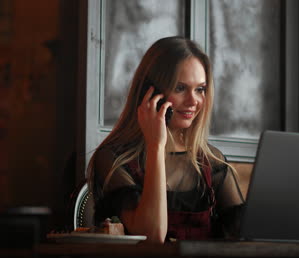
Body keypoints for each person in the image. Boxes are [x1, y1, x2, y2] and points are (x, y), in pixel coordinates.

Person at [86, 36, 245, 244]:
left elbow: (245, 238)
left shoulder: (212, 162)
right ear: (150, 94)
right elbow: (151, 236)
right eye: (180, 88)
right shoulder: (113, 159)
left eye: (200, 89)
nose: (193, 101)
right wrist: (155, 146)